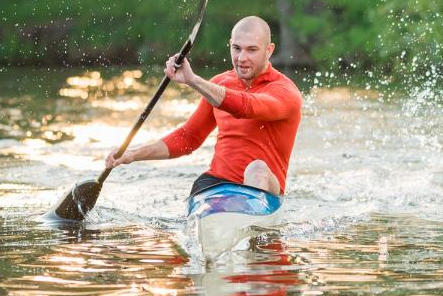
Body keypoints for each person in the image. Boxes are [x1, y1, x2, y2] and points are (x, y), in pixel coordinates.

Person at [105, 16, 302, 198]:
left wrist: (193, 81)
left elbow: (246, 107)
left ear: (269, 50)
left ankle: (251, 223)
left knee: (257, 169)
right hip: (217, 183)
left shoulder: (285, 92)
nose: (241, 58)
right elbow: (188, 138)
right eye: (236, 48)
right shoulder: (219, 83)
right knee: (202, 184)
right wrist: (132, 154)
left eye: (252, 50)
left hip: (264, 189)